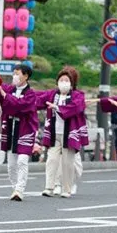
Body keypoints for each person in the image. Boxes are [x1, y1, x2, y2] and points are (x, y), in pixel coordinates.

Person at [38, 66, 87, 198]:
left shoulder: (78, 95)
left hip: (69, 134)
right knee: (51, 160)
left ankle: (67, 189)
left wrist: (58, 108)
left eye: (66, 80)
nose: (63, 83)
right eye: (61, 80)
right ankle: (49, 187)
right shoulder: (52, 95)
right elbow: (37, 99)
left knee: (67, 163)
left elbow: (76, 107)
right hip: (54, 133)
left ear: (72, 84)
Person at [0, 64, 39, 201]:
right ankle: (15, 188)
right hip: (10, 128)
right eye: (13, 73)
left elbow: (21, 106)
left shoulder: (31, 94)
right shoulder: (9, 89)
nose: (14, 76)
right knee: (11, 164)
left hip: (25, 129)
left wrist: (6, 97)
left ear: (26, 76)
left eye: (17, 73)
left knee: (22, 160)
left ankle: (20, 189)